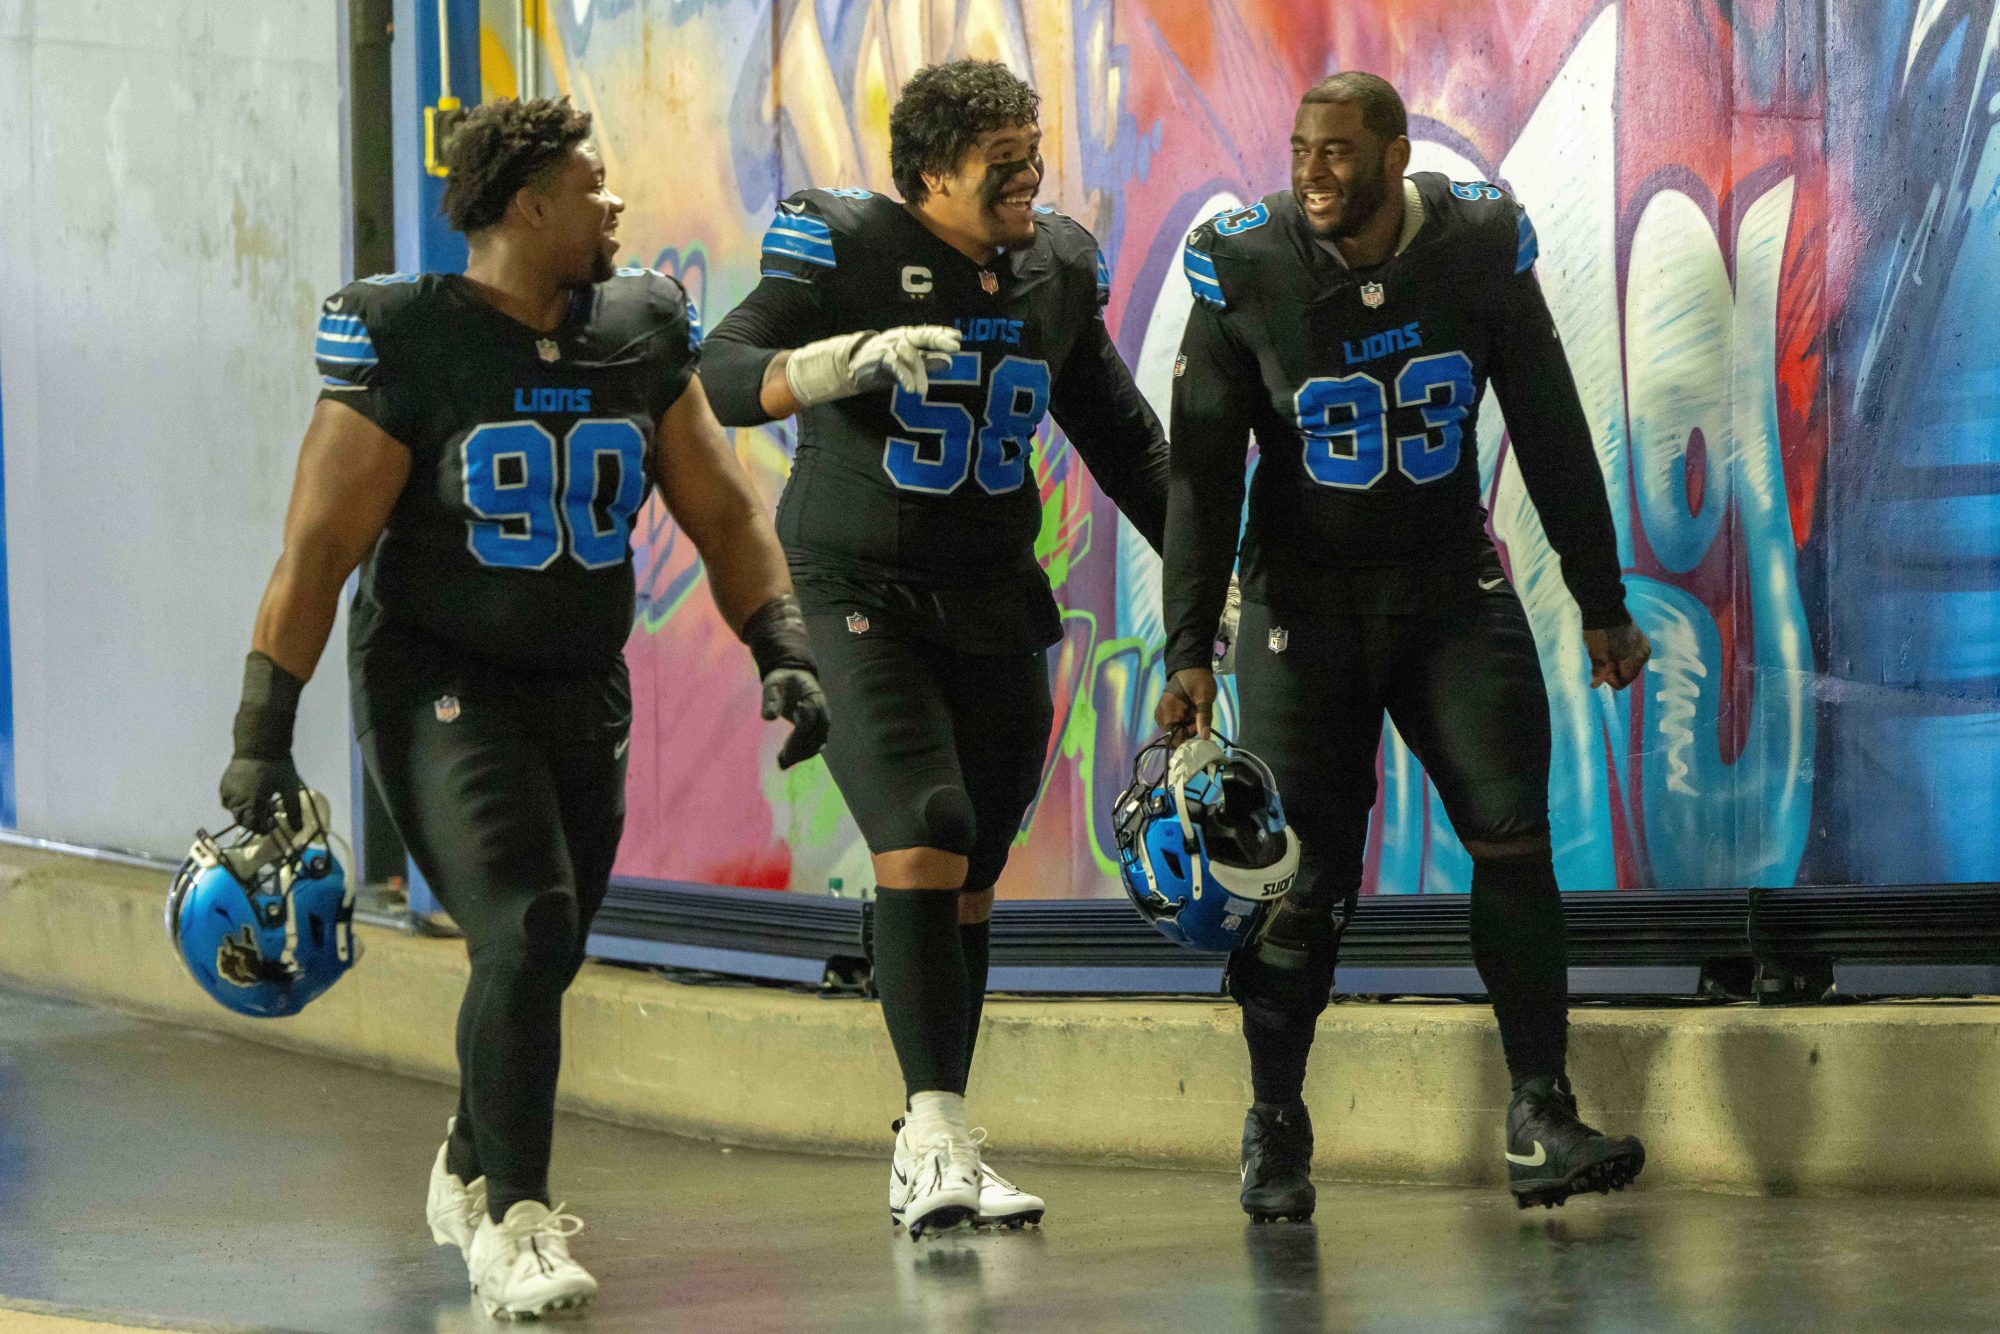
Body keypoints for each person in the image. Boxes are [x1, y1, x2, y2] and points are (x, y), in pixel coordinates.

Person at [216, 97, 827, 1315]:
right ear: (526, 203)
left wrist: (782, 643)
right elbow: (318, 549)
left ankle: (467, 1154)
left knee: (540, 954)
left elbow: (721, 510)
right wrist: (258, 739)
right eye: (591, 185)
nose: (613, 205)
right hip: (439, 678)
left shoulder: (638, 326)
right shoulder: (409, 336)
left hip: (578, 686)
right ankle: (515, 1223)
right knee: (527, 922)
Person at [1155, 72, 1652, 1218]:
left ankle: (1538, 1111)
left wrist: (1599, 596)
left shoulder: (1477, 241)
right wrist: (1188, 643)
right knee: (1302, 881)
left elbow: (1548, 422)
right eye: (1298, 150)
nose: (1311, 172)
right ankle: (1274, 1120)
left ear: (1393, 156)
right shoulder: (1243, 264)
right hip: (1300, 612)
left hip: (1445, 590)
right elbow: (1198, 470)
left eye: (1336, 151)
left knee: (1514, 837)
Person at [702, 59, 1169, 1237]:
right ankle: (932, 1127)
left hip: (994, 592)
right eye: (1001, 162)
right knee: (925, 828)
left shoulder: (1053, 264)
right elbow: (717, 375)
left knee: (971, 879)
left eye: (1032, 151)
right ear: (928, 175)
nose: (1031, 178)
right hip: (859, 583)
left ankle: (942, 1130)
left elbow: (1119, 435)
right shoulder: (844, 244)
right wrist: (836, 362)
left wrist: (1222, 572)